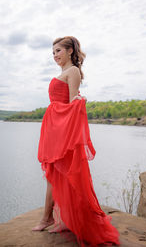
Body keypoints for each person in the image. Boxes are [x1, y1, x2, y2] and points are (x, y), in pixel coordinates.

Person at [32, 36, 120, 246]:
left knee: (59, 174)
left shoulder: (73, 72)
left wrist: (80, 101)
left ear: (70, 50)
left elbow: (72, 100)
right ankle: (59, 219)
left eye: (58, 51)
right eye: (52, 52)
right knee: (55, 174)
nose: (55, 56)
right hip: (54, 126)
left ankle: (48, 218)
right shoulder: (64, 72)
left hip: (62, 128)